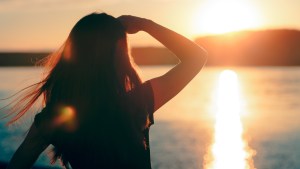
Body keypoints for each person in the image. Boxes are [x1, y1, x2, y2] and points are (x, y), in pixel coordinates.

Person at [6, 13, 207, 169]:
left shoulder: (53, 118)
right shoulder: (136, 104)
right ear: (119, 58)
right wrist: (145, 24)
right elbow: (196, 57)